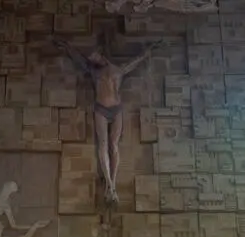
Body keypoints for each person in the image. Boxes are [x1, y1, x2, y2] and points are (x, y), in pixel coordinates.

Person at [53, 38, 165, 203]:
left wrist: (149, 49)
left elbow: (136, 61)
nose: (92, 59)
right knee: (103, 144)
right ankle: (110, 185)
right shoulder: (94, 72)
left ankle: (113, 183)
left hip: (116, 110)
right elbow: (79, 59)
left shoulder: (118, 70)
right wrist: (67, 46)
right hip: (101, 110)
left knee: (114, 145)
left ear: (101, 55)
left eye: (94, 56)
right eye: (91, 58)